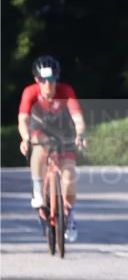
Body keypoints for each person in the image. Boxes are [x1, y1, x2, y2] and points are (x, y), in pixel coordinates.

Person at [17, 55, 86, 242]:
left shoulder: (66, 91)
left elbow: (78, 118)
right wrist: (25, 138)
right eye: (43, 80)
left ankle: (69, 215)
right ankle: (38, 190)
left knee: (69, 176)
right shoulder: (30, 92)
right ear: (36, 80)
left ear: (57, 78)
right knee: (40, 147)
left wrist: (80, 135)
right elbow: (23, 120)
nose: (48, 84)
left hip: (63, 133)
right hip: (39, 131)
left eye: (51, 79)